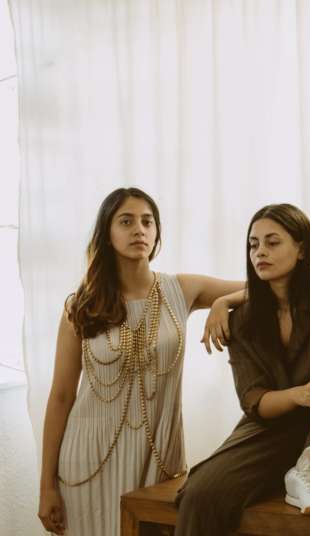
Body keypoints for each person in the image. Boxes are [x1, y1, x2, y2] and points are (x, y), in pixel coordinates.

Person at [37, 188, 246, 535]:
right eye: (126, 221)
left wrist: (224, 303)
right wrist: (46, 486)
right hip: (87, 462)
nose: (139, 230)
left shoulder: (182, 289)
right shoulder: (81, 306)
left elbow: (263, 287)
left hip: (157, 460)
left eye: (148, 222)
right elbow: (60, 396)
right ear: (107, 233)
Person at [174, 204, 310, 535]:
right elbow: (255, 401)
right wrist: (301, 394)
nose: (260, 252)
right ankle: (299, 467)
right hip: (273, 430)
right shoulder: (241, 320)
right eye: (253, 244)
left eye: (272, 242)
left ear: (301, 249)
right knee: (202, 492)